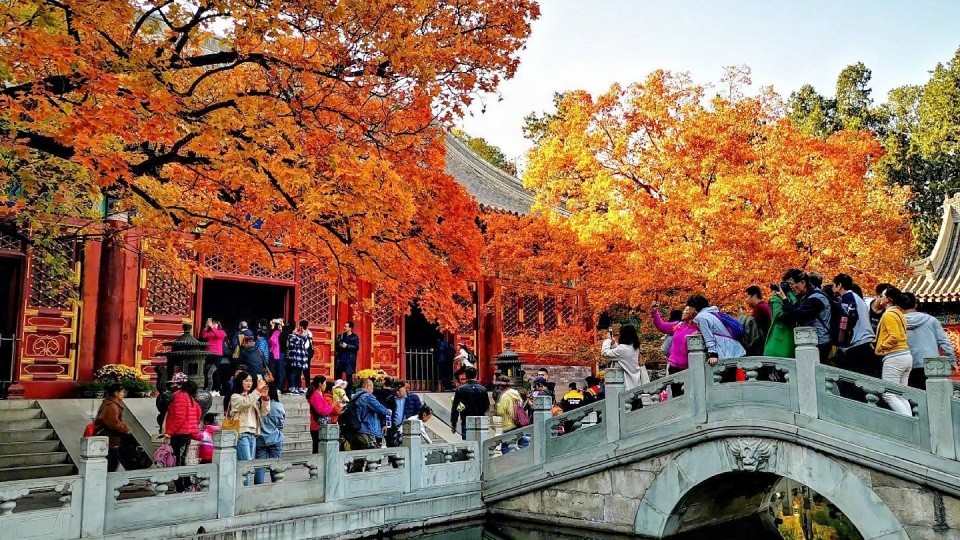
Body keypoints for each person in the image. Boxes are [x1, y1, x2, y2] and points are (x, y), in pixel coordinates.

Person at [775, 270, 831, 362]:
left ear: (803, 283)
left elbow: (796, 315)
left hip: (820, 342)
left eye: (791, 284)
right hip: (812, 341)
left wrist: (784, 298)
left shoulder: (815, 298)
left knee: (814, 372)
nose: (791, 288)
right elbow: (789, 315)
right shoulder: (806, 296)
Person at [903, 292, 955, 390]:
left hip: (908, 366)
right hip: (932, 365)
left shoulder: (897, 322)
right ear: (916, 305)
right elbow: (944, 342)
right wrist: (951, 361)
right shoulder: (931, 320)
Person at [874, 286, 913, 416]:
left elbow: (894, 337)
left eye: (883, 295)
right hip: (905, 355)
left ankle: (908, 423)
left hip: (895, 356)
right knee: (901, 395)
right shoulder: (899, 313)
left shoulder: (889, 315)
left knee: (889, 394)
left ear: (889, 299)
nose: (881, 297)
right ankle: (911, 422)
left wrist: (881, 347)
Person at [228, 371, 271, 484]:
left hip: (253, 433)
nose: (249, 383)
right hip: (242, 433)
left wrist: (265, 398)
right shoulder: (235, 397)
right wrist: (257, 391)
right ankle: (245, 491)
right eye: (246, 380)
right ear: (240, 382)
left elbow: (264, 412)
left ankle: (246, 489)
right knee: (246, 466)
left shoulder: (252, 397)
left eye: (251, 381)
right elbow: (245, 403)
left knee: (249, 465)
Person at [832, 273, 878, 378]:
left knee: (857, 378)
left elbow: (849, 316)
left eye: (834, 285)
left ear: (839, 285)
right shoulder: (856, 296)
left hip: (859, 342)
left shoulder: (848, 296)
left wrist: (843, 337)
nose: (833, 288)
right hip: (866, 340)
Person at [652, 303, 699, 396]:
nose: (682, 312)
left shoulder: (697, 329)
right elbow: (661, 325)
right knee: (675, 395)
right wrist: (655, 311)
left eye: (685, 310)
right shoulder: (679, 325)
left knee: (687, 395)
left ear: (691, 314)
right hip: (673, 366)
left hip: (687, 368)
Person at [164, 380, 202, 491]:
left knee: (177, 461)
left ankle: (180, 486)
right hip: (187, 434)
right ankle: (187, 484)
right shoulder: (191, 399)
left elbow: (178, 418)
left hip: (179, 433)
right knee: (182, 459)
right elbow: (198, 412)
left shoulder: (180, 397)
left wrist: (169, 433)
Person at [347, 378, 392, 450]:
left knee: (358, 458)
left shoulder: (354, 397)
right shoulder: (367, 396)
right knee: (372, 457)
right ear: (368, 386)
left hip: (354, 430)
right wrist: (388, 411)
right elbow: (381, 409)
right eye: (372, 387)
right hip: (366, 430)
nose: (373, 390)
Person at [95, 383, 131, 472]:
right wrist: (125, 428)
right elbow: (114, 423)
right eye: (122, 392)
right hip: (109, 439)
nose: (123, 394)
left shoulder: (110, 403)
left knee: (113, 461)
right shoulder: (112, 406)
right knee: (112, 462)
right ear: (116, 393)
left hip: (110, 439)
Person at [600, 324, 649, 391]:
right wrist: (613, 343)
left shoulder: (622, 349)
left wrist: (608, 341)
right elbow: (621, 353)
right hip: (635, 382)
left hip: (626, 386)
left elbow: (605, 353)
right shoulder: (635, 348)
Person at [255, 385, 285, 484]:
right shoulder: (277, 405)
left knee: (259, 466)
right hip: (275, 437)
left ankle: (258, 488)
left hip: (260, 439)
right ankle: (277, 486)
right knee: (276, 465)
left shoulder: (257, 405)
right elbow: (281, 422)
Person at [450, 366, 490, 439]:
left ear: (466, 375)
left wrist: (454, 423)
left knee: (467, 441)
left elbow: (455, 407)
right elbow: (486, 405)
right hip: (480, 418)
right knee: (480, 440)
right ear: (476, 375)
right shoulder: (483, 389)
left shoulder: (461, 389)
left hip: (466, 418)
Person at [494, 377, 528, 454]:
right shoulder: (515, 392)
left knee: (505, 446)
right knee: (518, 439)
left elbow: (500, 411)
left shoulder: (504, 396)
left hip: (508, 424)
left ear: (500, 385)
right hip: (518, 422)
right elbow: (521, 404)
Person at [385, 381, 423, 447]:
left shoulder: (413, 398)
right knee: (393, 448)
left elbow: (419, 412)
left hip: (408, 429)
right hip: (394, 428)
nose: (397, 392)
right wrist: (385, 425)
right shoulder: (390, 399)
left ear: (404, 388)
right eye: (395, 391)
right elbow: (386, 413)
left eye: (399, 390)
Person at [765, 283, 797, 358]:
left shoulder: (793, 297)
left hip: (783, 336)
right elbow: (778, 314)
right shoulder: (777, 299)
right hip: (782, 335)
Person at [306, 376, 334, 454]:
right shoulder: (315, 395)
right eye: (324, 384)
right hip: (317, 425)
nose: (325, 386)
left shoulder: (321, 394)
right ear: (320, 384)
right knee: (317, 448)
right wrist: (332, 405)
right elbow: (321, 410)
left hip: (322, 425)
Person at [200, 318, 227, 392]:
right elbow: (204, 336)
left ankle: (216, 389)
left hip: (217, 355)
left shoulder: (222, 332)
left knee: (213, 371)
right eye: (213, 323)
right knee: (206, 371)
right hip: (209, 354)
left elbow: (218, 336)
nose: (213, 325)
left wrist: (212, 327)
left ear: (218, 325)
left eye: (215, 324)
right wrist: (206, 327)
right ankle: (207, 388)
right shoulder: (210, 333)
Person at [335, 321, 360, 396]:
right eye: (344, 326)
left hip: (349, 359)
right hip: (341, 358)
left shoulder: (355, 337)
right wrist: (339, 345)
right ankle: (338, 391)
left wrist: (347, 346)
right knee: (338, 375)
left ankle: (349, 392)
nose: (344, 328)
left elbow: (356, 347)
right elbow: (336, 346)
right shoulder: (341, 336)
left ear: (350, 328)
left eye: (346, 326)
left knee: (349, 376)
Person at [286, 324, 311, 394]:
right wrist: (305, 334)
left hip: (299, 358)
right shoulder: (291, 337)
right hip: (295, 358)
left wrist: (304, 334)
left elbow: (303, 340)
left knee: (298, 374)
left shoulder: (297, 336)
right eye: (295, 329)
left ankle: (298, 387)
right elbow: (301, 341)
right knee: (293, 373)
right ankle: (292, 387)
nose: (297, 330)